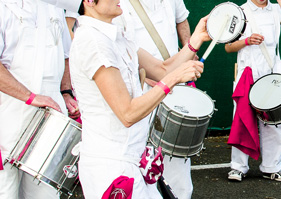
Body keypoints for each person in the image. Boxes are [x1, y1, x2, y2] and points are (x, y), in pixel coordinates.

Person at [70, 0, 209, 198]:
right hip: (111, 167)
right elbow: (127, 113)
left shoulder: (116, 36)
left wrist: (196, 38)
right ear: (90, 2)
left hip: (133, 162)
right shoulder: (93, 42)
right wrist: (176, 78)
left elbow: (162, 70)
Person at [113, 0, 196, 197]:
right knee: (139, 159)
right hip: (142, 88)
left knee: (177, 160)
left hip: (175, 85)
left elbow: (182, 21)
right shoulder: (117, 4)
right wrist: (144, 73)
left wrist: (189, 52)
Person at [0, 0, 80, 198]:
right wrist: (30, 97)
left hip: (50, 112)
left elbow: (66, 54)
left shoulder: (54, 5)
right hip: (8, 111)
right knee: (5, 190)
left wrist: (66, 93)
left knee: (45, 192)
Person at [224, 0, 281, 182]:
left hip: (272, 72)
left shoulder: (276, 9)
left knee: (274, 122)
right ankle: (238, 167)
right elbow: (228, 46)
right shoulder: (241, 11)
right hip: (248, 74)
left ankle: (272, 167)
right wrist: (246, 41)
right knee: (242, 119)